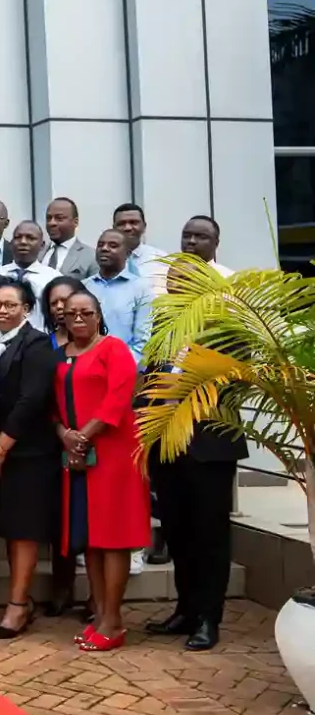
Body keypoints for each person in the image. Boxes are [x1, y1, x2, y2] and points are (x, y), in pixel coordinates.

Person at [144, 219, 244, 652]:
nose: (177, 281)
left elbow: (235, 378)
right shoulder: (163, 324)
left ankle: (209, 617)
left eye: (185, 276)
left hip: (208, 442)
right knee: (178, 529)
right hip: (167, 444)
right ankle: (185, 610)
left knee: (209, 533)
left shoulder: (228, 320)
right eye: (172, 277)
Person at [54, 289, 150, 651]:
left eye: (86, 312)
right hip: (78, 456)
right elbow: (53, 407)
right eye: (71, 313)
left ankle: (114, 619)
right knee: (91, 539)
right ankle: (99, 614)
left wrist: (83, 436)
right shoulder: (60, 356)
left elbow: (118, 399)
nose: (78, 318)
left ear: (98, 315)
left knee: (114, 538)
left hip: (113, 453)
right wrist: (65, 435)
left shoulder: (115, 349)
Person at [0, 281, 61, 640]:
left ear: (27, 309)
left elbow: (32, 400)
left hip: (29, 451)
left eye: (10, 305)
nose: (2, 311)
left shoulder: (36, 345)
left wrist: (1, 446)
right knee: (11, 528)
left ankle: (17, 605)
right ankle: (22, 600)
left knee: (25, 529)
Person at [38, 274, 87, 617]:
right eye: (54, 302)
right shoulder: (42, 345)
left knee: (90, 517)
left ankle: (97, 597)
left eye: (65, 301)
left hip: (91, 441)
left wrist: (83, 436)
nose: (60, 307)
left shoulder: (99, 343)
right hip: (50, 440)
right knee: (59, 517)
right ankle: (62, 586)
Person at [84, 229, 153, 363]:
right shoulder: (84, 287)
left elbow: (143, 341)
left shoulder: (141, 289)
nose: (104, 249)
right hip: (84, 369)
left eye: (113, 246)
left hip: (123, 370)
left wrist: (118, 368)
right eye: (100, 245)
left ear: (127, 253)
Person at [0, 220, 61, 329]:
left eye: (30, 238)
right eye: (18, 237)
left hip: (41, 342)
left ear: (42, 245)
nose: (23, 242)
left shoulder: (53, 279)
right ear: (11, 244)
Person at [114, 202, 170, 294]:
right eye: (121, 223)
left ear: (144, 226)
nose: (127, 227)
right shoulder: (103, 261)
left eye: (133, 222)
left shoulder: (162, 260)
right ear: (113, 228)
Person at [41, 197, 98, 278]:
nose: (51, 223)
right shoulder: (38, 253)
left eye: (59, 218)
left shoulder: (91, 256)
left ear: (75, 222)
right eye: (48, 218)